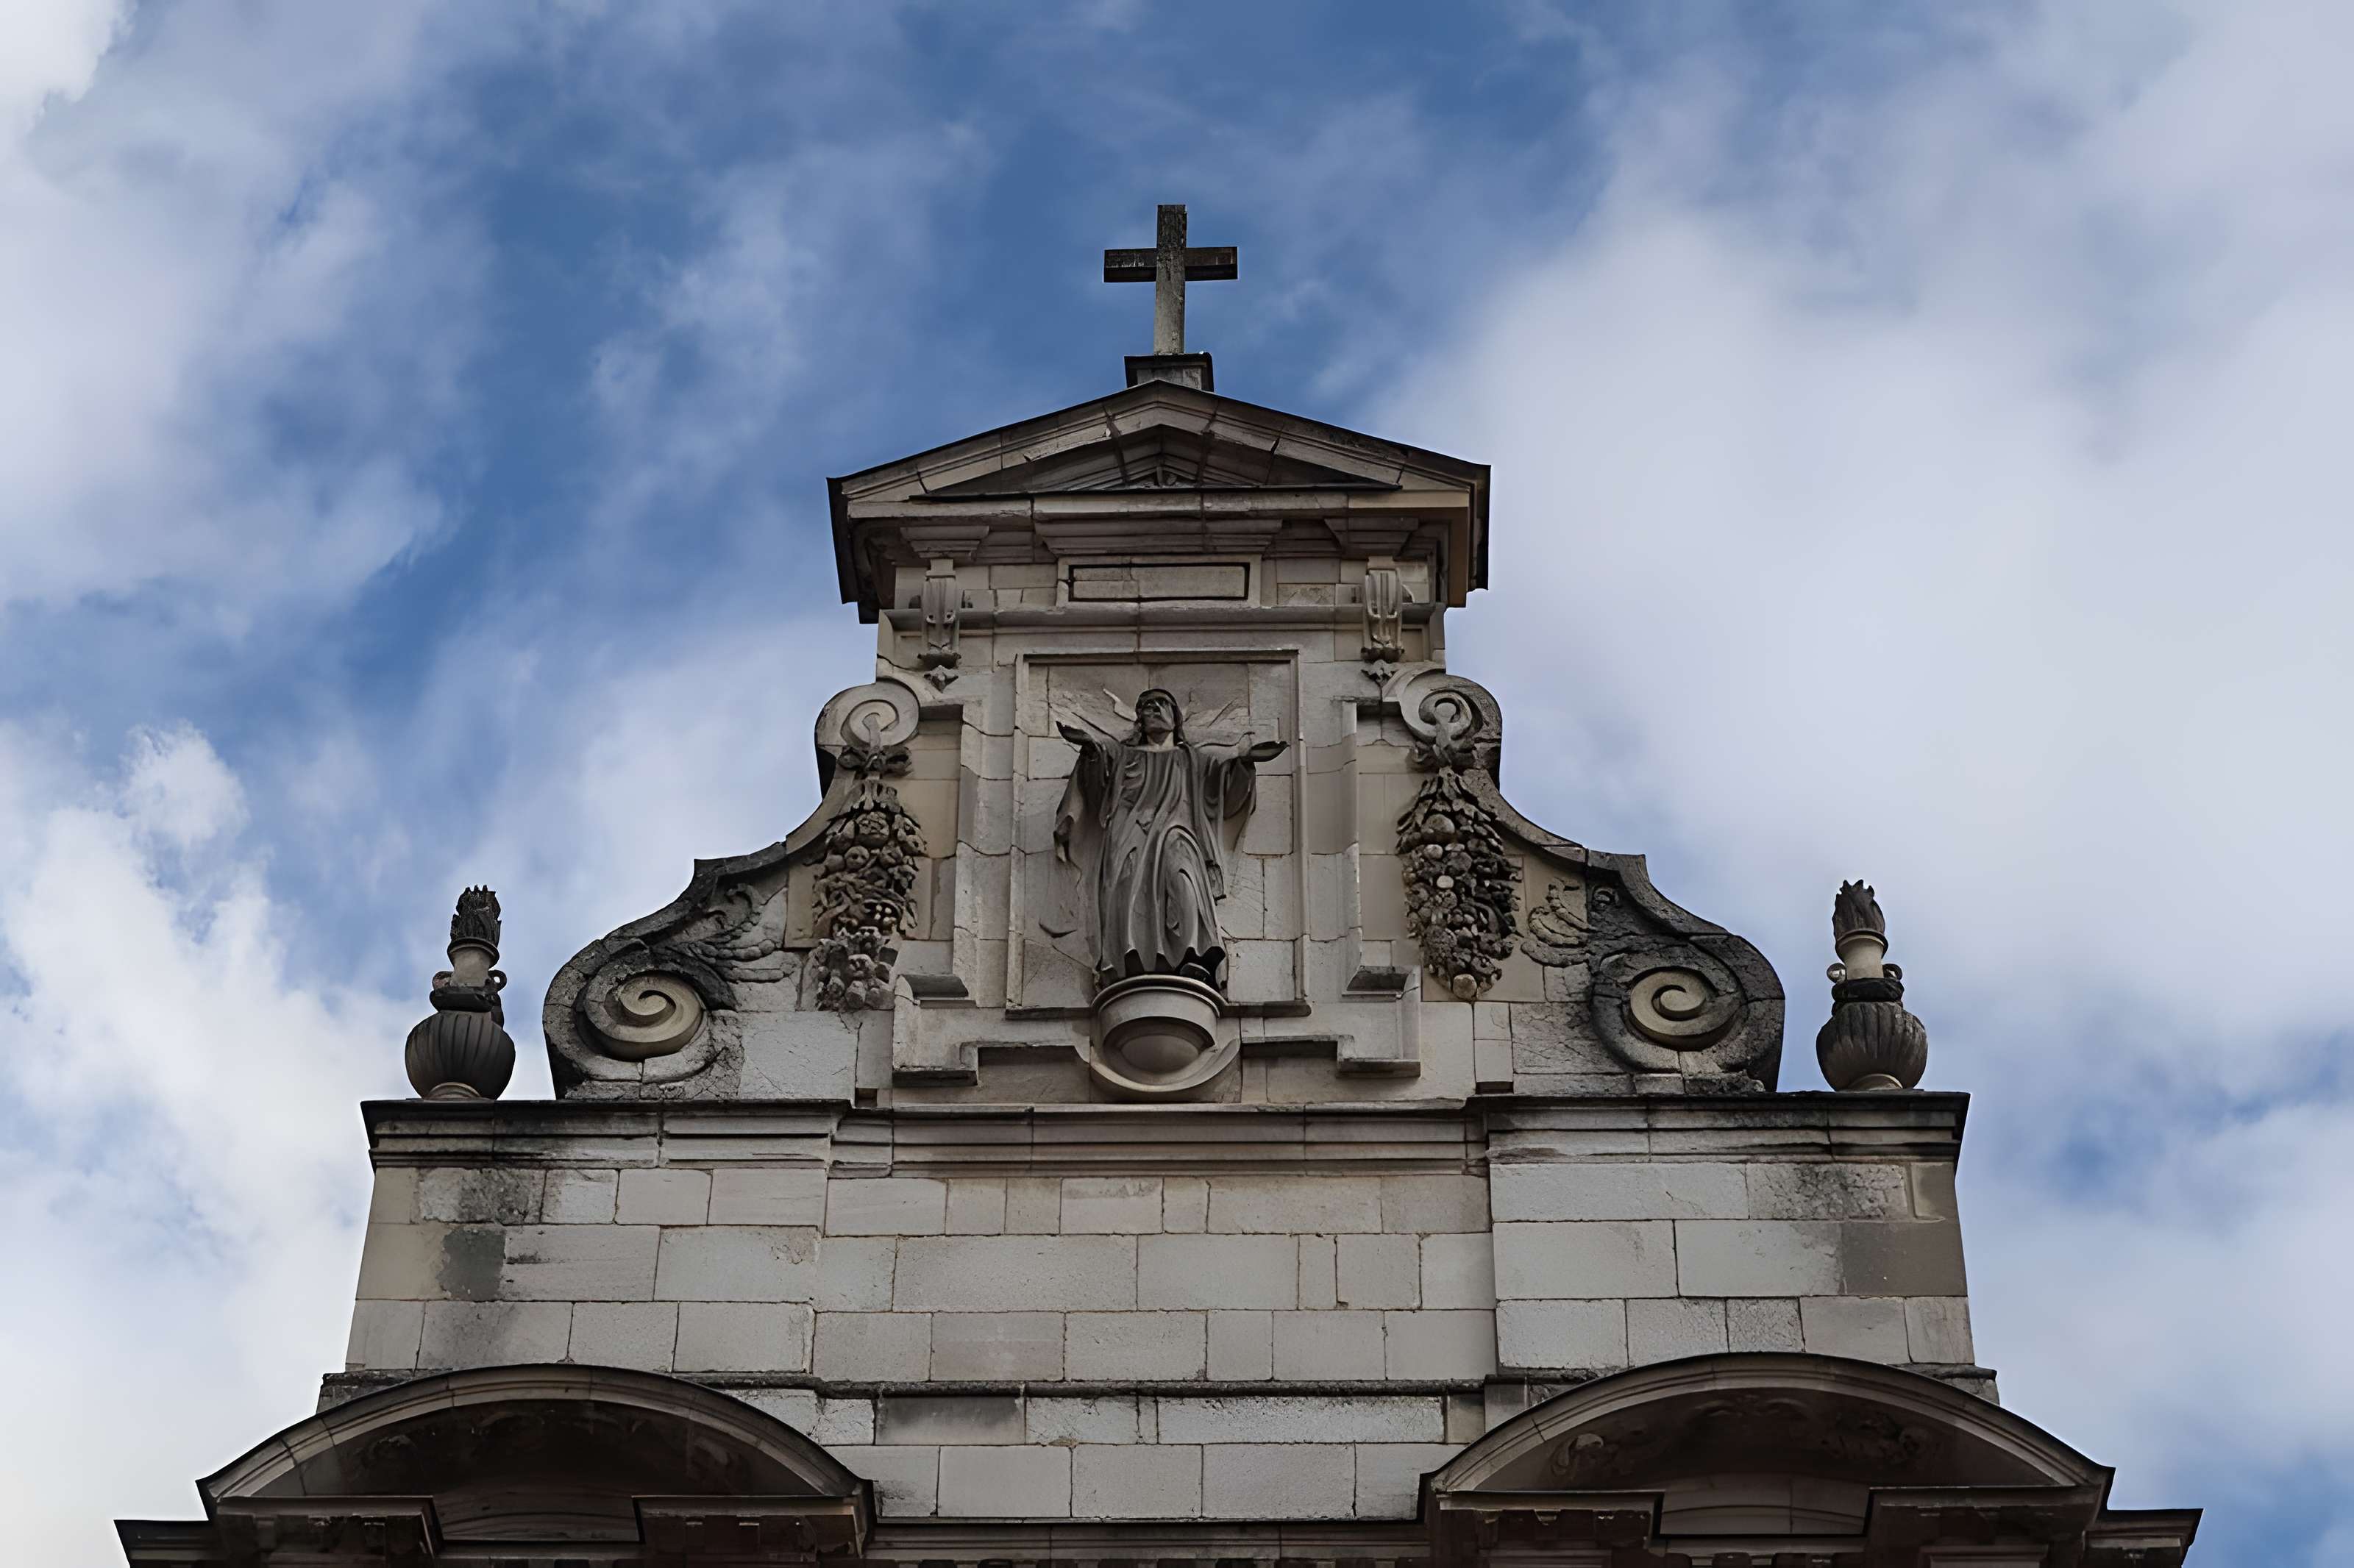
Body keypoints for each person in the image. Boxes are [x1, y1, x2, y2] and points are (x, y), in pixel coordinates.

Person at [1053, 688, 1284, 988]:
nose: (1153, 710)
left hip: (1178, 832)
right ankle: (1127, 962)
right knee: (1126, 886)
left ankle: (1193, 955)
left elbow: (1225, 795)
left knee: (1184, 878)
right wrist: (1090, 752)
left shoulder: (1193, 760)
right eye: (1146, 707)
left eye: (1161, 704)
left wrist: (1246, 763)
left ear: (1175, 717)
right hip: (1129, 833)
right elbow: (1097, 788)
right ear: (1139, 720)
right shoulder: (1122, 756)